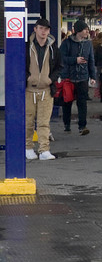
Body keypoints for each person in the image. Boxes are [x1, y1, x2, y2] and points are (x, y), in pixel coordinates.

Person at [25, 17, 61, 160]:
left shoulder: (53, 48)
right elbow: (20, 65)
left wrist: (50, 79)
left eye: (46, 29)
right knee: (28, 121)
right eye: (41, 28)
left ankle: (44, 150)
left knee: (44, 122)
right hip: (29, 90)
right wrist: (28, 78)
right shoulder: (27, 47)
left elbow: (59, 67)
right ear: (35, 29)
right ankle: (28, 148)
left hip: (46, 90)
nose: (43, 32)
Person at [59, 19, 96, 136]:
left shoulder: (88, 44)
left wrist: (92, 76)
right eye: (85, 30)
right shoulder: (67, 43)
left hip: (83, 78)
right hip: (69, 77)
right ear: (79, 30)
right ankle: (67, 124)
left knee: (82, 103)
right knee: (67, 102)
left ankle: (82, 126)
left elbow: (91, 60)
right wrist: (75, 60)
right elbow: (61, 58)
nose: (87, 32)